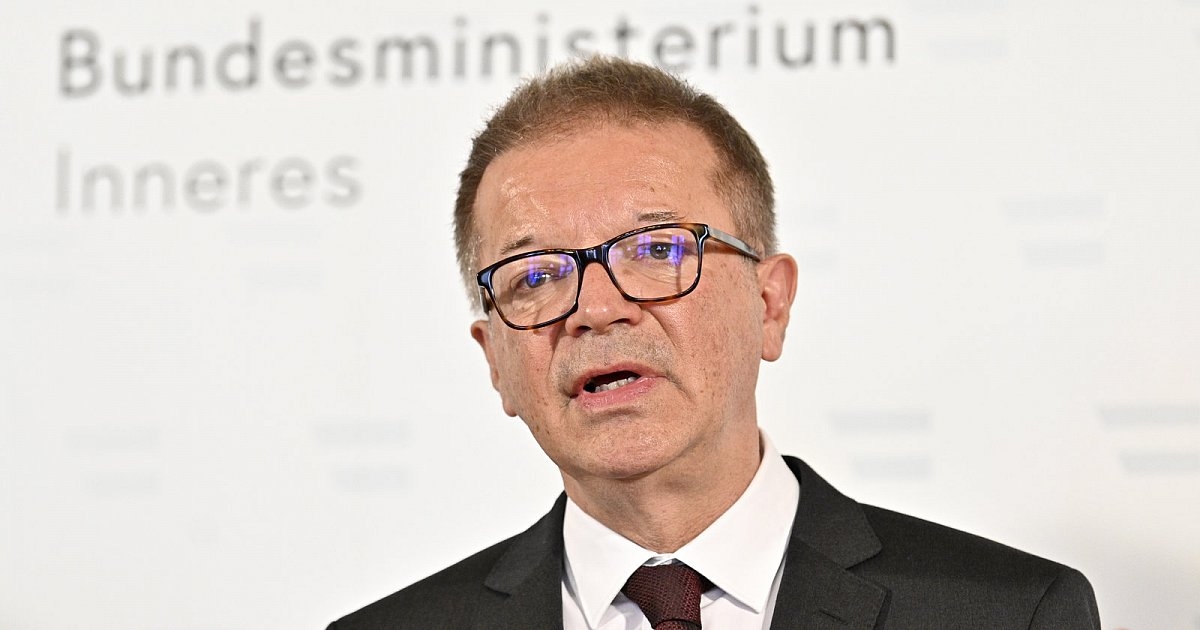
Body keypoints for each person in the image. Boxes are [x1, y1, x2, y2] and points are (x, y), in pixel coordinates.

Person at [327, 56, 1100, 629]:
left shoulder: (1009, 614)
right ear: (494, 358)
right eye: (535, 276)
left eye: (657, 250)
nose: (596, 309)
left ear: (770, 303)